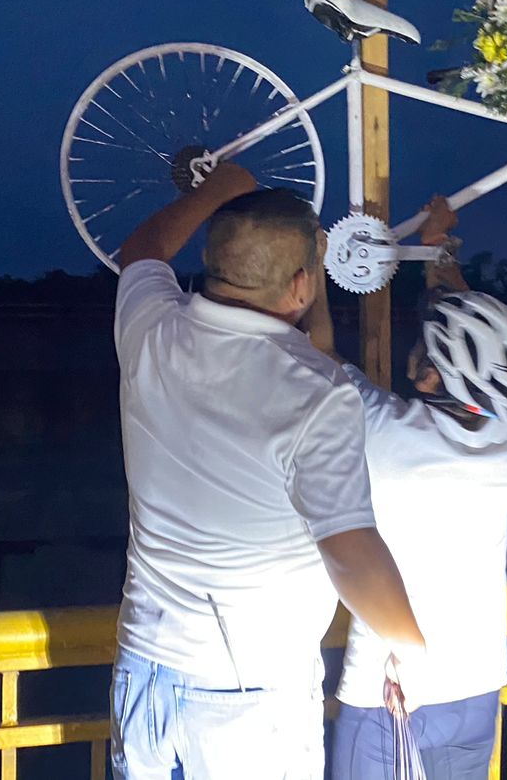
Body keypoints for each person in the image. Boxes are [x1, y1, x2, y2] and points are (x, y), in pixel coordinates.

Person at [109, 159, 425, 780]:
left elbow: (142, 250)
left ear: (213, 260)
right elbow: (349, 549)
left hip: (144, 670)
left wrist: (217, 190)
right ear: (303, 284)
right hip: (250, 696)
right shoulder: (318, 391)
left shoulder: (149, 328)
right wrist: (409, 647)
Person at [307, 197, 507, 780]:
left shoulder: (383, 431)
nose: (414, 350)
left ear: (434, 375)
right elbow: (470, 329)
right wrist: (441, 248)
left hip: (389, 694)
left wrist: (312, 263)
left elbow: (317, 354)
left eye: (423, 349)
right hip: (476, 689)